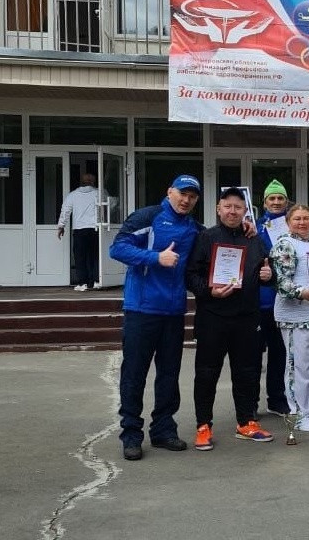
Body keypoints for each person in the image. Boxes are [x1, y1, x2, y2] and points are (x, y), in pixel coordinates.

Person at [109, 174, 203, 461]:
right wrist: (155, 258)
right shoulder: (146, 217)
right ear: (170, 191)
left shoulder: (194, 229)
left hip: (174, 312)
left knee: (169, 375)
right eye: (182, 194)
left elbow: (216, 246)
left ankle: (163, 430)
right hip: (141, 310)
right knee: (134, 374)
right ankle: (131, 435)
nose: (186, 200)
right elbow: (117, 248)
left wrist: (247, 228)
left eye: (192, 196)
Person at [185, 187, 274, 451]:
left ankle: (246, 422)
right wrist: (208, 291)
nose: (233, 211)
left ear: (245, 211)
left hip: (247, 317)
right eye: (228, 207)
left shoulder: (254, 239)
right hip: (213, 316)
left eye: (238, 207)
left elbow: (269, 271)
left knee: (247, 372)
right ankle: (203, 426)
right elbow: (191, 275)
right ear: (218, 209)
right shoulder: (206, 237)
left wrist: (269, 276)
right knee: (206, 373)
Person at [270, 204, 309, 433]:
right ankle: (297, 413)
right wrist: (300, 292)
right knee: (299, 366)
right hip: (297, 315)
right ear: (288, 222)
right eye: (296, 218)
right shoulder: (285, 244)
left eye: (306, 218)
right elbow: (281, 281)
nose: (302, 222)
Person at [255, 180, 291, 416]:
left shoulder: (294, 225)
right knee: (252, 355)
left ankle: (277, 399)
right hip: (258, 300)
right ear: (265, 202)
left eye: (280, 198)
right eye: (272, 199)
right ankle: (249, 402)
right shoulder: (254, 226)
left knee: (280, 353)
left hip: (284, 301)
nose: (276, 202)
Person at [57, 173, 100, 291]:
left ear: (81, 182)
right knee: (94, 255)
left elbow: (65, 211)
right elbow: (111, 204)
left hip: (79, 230)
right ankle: (96, 280)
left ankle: (82, 283)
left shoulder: (73, 195)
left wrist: (61, 226)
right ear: (93, 182)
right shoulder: (99, 193)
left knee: (80, 257)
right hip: (95, 229)